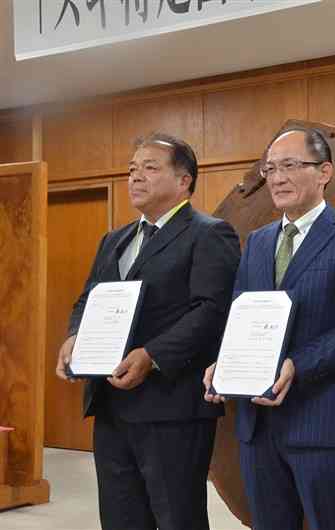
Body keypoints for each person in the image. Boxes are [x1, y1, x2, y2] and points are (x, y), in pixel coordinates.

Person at [55, 132, 241, 530]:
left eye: (150, 168)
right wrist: (74, 336)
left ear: (184, 180)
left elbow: (211, 311)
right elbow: (88, 300)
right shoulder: (114, 239)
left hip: (172, 407)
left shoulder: (209, 234)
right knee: (121, 518)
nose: (135, 177)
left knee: (178, 518)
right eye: (131, 169)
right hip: (110, 405)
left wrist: (152, 355)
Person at [204, 127, 335, 530]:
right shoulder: (257, 242)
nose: (277, 177)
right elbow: (241, 316)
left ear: (324, 172)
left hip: (319, 419)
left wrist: (297, 365)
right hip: (256, 424)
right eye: (270, 168)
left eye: (290, 165)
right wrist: (223, 363)